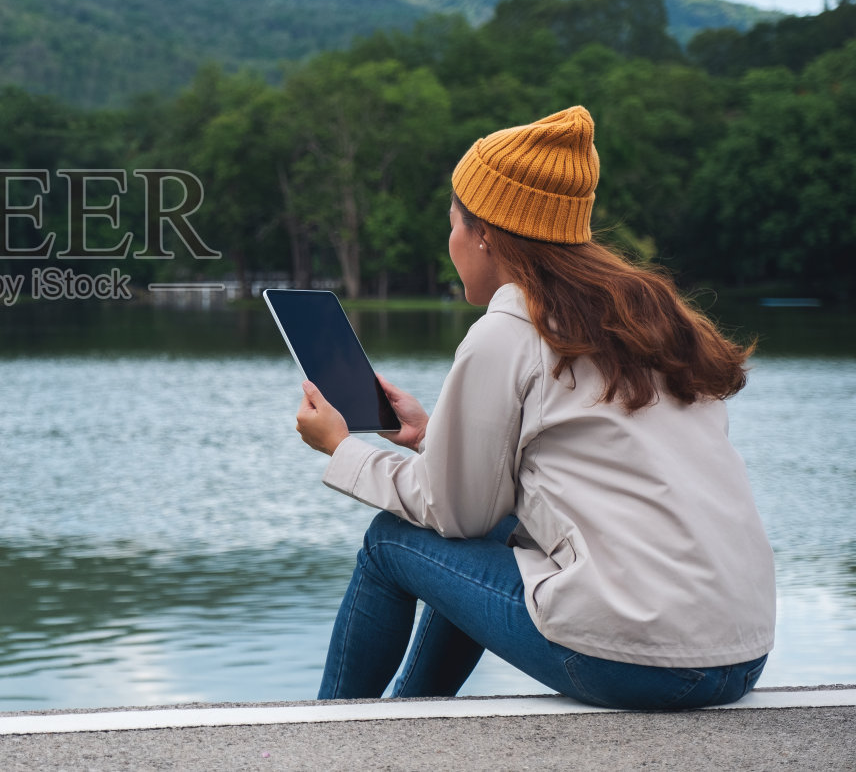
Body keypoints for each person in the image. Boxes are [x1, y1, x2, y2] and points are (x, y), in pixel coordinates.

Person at [293, 105, 775, 709]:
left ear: (486, 233)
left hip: (641, 664)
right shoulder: (644, 313)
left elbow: (456, 515)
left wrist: (342, 449)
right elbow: (556, 462)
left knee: (391, 542)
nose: (451, 243)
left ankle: (328, 734)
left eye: (453, 225)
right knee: (495, 527)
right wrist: (428, 436)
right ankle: (405, 721)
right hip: (739, 654)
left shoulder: (510, 328)